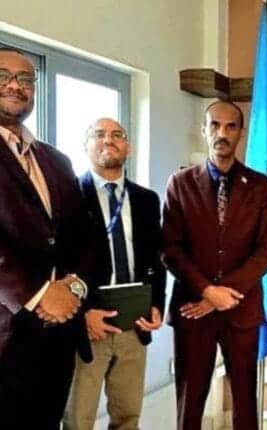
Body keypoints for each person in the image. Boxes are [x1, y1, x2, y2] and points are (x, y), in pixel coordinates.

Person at [162, 100, 267, 430]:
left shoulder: (261, 187)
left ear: (241, 132)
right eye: (214, 125)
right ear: (204, 130)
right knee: (190, 401)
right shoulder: (180, 183)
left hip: (241, 308)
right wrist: (207, 291)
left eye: (231, 126)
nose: (222, 133)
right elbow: (171, 249)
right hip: (192, 309)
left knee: (245, 401)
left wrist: (223, 294)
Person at [0, 47, 92, 428]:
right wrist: (39, 295)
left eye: (26, 79)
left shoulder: (56, 161)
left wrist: (74, 288)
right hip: (6, 332)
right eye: (3, 75)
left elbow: (83, 238)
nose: (15, 85)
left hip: (58, 335)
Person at [63, 118, 166, 430]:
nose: (108, 140)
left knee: (128, 417)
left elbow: (156, 259)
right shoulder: (67, 196)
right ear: (86, 146)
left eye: (117, 135)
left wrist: (156, 305)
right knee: (78, 420)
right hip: (88, 326)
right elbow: (59, 264)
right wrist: (83, 313)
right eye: (99, 134)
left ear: (128, 147)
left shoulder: (147, 200)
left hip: (133, 325)